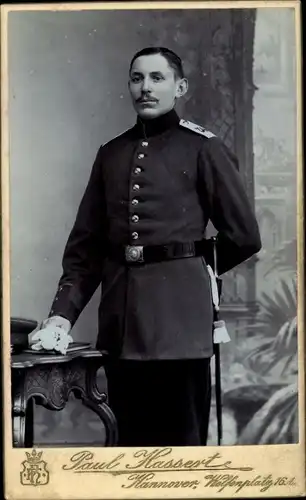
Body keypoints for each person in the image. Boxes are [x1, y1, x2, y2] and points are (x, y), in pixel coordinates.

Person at [29, 46, 261, 447]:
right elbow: (87, 248)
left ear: (180, 86)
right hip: (122, 328)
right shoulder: (111, 154)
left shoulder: (202, 148)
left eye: (158, 78)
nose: (146, 88)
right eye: (137, 78)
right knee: (129, 447)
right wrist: (61, 316)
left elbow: (244, 236)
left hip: (180, 328)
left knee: (181, 451)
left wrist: (193, 273)